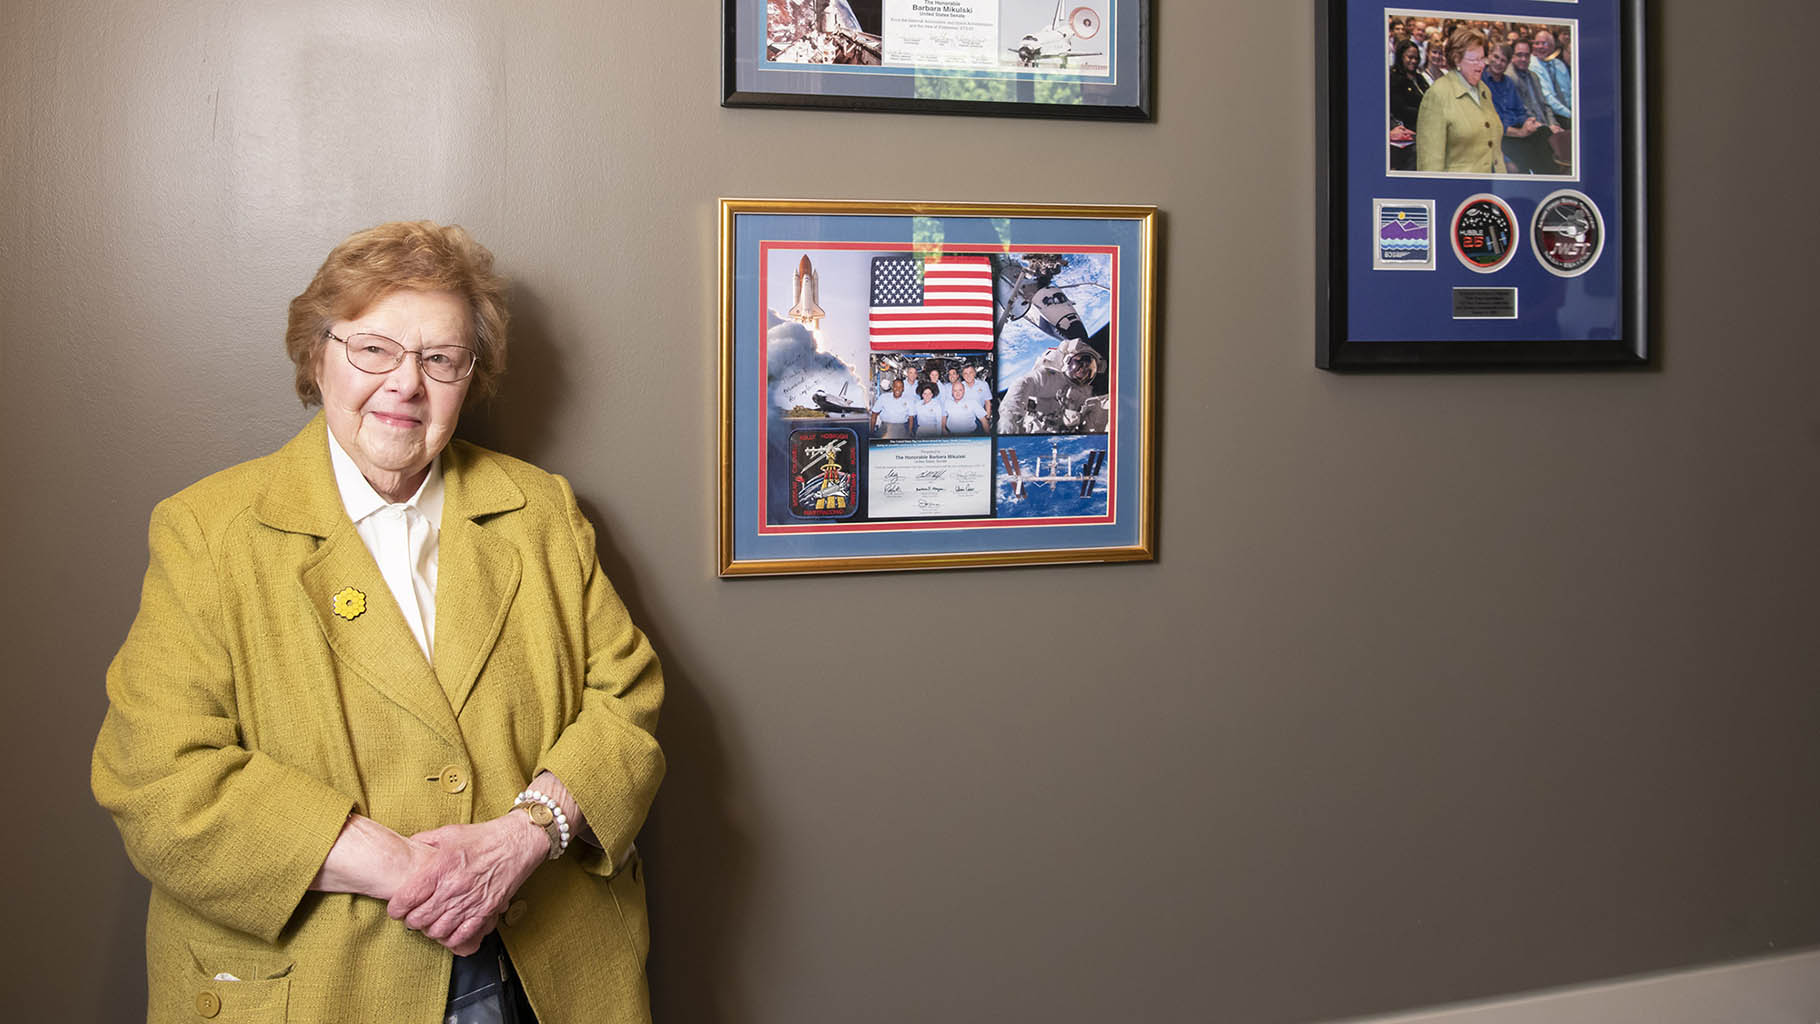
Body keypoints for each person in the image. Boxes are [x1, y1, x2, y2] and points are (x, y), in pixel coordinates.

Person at [90, 221, 665, 1023]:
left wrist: (521, 838)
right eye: (374, 350)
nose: (407, 384)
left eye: (441, 359)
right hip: (316, 986)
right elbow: (158, 776)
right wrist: (405, 870)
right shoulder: (208, 532)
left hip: (546, 972)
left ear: (471, 376)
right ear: (317, 355)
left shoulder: (541, 511)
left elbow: (625, 701)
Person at [1415, 27, 1501, 174]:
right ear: (1457, 60)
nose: (1481, 65)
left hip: (1492, 190)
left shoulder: (1484, 90)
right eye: (1474, 60)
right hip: (1458, 191)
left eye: (1482, 58)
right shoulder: (1438, 94)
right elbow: (1430, 164)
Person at [999, 338, 1103, 435]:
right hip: (1034, 431)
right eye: (1080, 365)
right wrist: (1010, 416)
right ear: (1068, 361)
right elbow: (1023, 384)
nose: (1082, 371)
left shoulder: (1085, 392)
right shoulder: (1051, 377)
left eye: (1087, 371)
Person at [1484, 44, 1551, 173]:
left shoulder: (1508, 82)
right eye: (1496, 57)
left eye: (1503, 60)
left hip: (1518, 128)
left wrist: (1528, 121)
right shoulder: (1481, 81)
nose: (1498, 63)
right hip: (1500, 134)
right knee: (1526, 152)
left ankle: (1551, 179)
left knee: (1544, 133)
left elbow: (1520, 110)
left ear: (1508, 63)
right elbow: (1491, 121)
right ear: (1488, 56)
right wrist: (1520, 132)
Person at [1509, 39, 1566, 169]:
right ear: (1512, 56)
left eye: (1527, 55)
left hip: (1545, 125)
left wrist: (1553, 124)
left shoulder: (1533, 75)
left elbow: (1545, 105)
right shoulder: (1510, 78)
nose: (1523, 59)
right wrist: (1547, 127)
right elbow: (1522, 110)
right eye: (1519, 55)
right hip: (1531, 127)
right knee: (1546, 135)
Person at [1389, 39, 1428, 171]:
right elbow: (1399, 108)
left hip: (1425, 126)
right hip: (1407, 129)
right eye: (1410, 57)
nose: (1414, 61)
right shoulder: (1393, 78)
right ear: (1401, 56)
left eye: (1416, 58)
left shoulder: (1420, 78)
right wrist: (1426, 113)